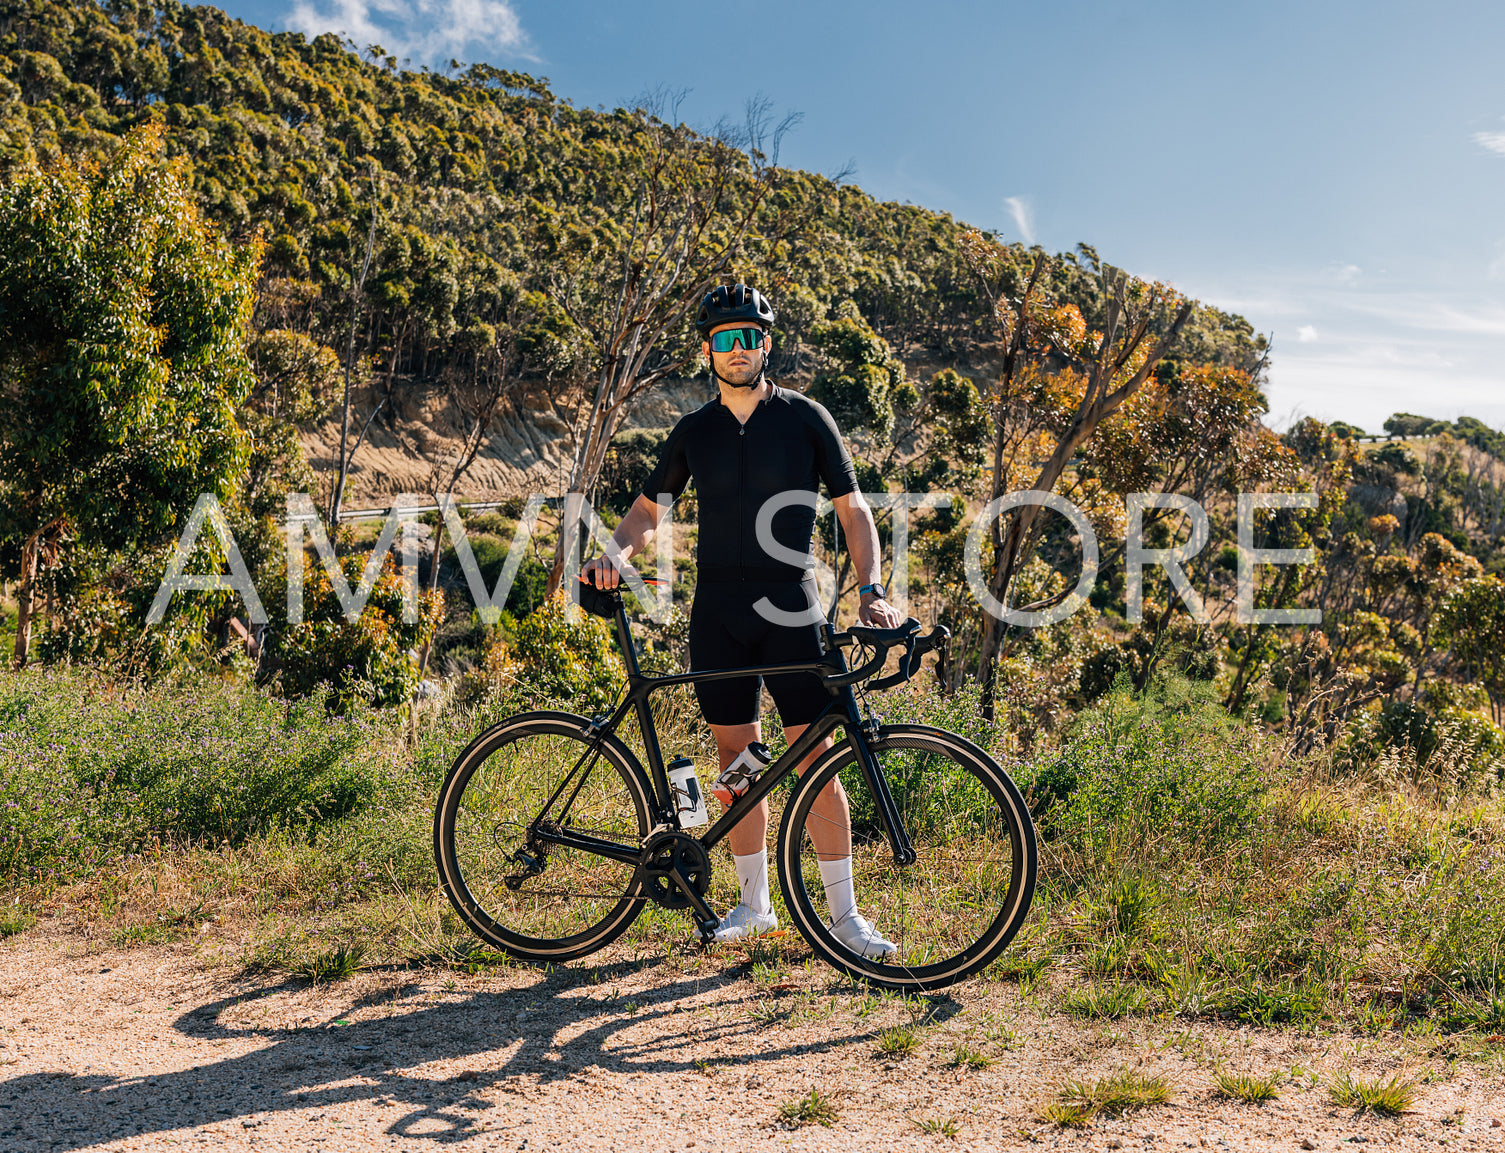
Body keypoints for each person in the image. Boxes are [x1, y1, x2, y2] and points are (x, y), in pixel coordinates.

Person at [581, 284, 903, 958]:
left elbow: (854, 512)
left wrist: (871, 589)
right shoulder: (694, 430)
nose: (736, 349)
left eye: (747, 336)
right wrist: (613, 553)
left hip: (793, 610)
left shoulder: (806, 418)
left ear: (765, 343)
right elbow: (647, 510)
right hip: (718, 615)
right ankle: (753, 905)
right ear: (708, 350)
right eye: (723, 338)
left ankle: (845, 919)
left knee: (817, 759)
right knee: (736, 761)